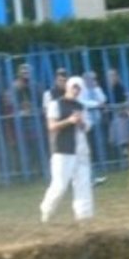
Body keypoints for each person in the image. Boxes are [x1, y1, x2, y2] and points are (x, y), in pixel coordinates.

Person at [39, 76, 94, 223]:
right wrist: (69, 121)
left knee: (83, 183)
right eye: (74, 87)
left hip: (81, 149)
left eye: (79, 87)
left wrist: (81, 121)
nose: (76, 90)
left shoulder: (82, 106)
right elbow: (51, 126)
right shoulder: (55, 104)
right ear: (68, 87)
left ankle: (84, 215)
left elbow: (87, 127)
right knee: (60, 185)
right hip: (63, 149)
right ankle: (47, 211)